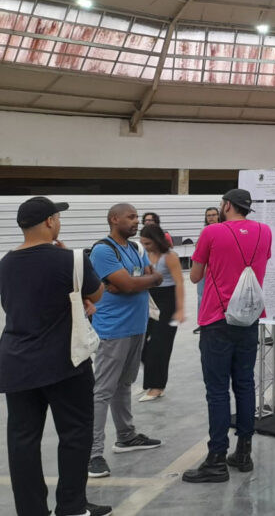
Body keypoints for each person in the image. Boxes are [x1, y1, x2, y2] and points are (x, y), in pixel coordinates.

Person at [0, 197, 113, 516]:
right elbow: (97, 294)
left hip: (16, 364)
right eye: (57, 217)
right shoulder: (70, 259)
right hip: (66, 363)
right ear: (50, 222)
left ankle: (31, 510)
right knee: (75, 435)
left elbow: (14, 307)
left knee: (22, 440)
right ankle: (71, 506)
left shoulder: (5, 263)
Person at [182, 189, 272, 483]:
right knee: (245, 385)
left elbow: (195, 276)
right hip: (248, 318)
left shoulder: (212, 232)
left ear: (227, 205)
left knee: (217, 390)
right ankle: (243, 453)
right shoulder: (265, 231)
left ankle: (216, 459)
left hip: (216, 319)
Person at [87, 203, 164, 480]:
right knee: (103, 390)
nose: (136, 222)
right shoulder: (103, 250)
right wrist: (140, 281)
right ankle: (93, 453)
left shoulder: (134, 249)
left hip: (136, 326)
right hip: (114, 329)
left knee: (124, 384)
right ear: (113, 219)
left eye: (136, 217)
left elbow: (154, 276)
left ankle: (126, 436)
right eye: (130, 217)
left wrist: (143, 279)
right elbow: (134, 284)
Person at [138, 223, 185, 402]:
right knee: (140, 343)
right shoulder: (143, 255)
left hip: (168, 301)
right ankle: (152, 380)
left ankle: (157, 386)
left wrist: (180, 309)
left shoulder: (169, 256)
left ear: (157, 241)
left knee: (160, 346)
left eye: (148, 243)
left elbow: (180, 282)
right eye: (143, 243)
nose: (145, 246)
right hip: (149, 300)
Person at [194, 207, 222, 335]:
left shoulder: (224, 229)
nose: (211, 217)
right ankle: (202, 323)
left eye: (213, 215)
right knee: (201, 296)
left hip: (218, 269)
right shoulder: (204, 231)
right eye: (208, 215)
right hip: (205, 269)